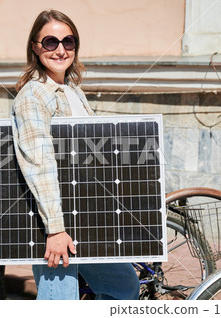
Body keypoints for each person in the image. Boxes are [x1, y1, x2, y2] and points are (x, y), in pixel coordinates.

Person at [11, 9, 140, 300]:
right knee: (60, 299)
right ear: (35, 47)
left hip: (86, 216)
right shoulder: (34, 95)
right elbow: (39, 162)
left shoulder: (72, 90)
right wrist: (55, 230)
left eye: (68, 42)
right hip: (54, 224)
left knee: (123, 288)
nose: (60, 49)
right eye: (50, 42)